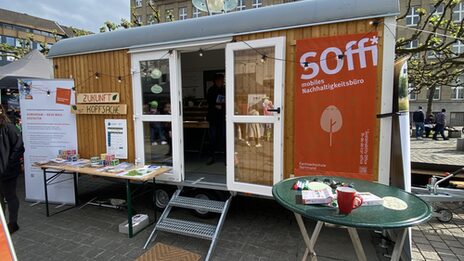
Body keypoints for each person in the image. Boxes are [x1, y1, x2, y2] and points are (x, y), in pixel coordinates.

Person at [0, 104, 24, 234]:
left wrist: (9, 164)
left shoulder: (9, 128)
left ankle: (13, 223)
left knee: (10, 197)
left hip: (7, 171)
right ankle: (2, 223)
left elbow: (19, 147)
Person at [206, 74, 225, 165]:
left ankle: (226, 157)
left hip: (222, 117)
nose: (222, 81)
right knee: (212, 138)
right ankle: (212, 157)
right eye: (220, 80)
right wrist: (214, 105)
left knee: (224, 137)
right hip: (213, 117)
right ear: (216, 81)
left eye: (222, 80)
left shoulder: (224, 89)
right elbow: (209, 102)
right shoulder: (211, 90)